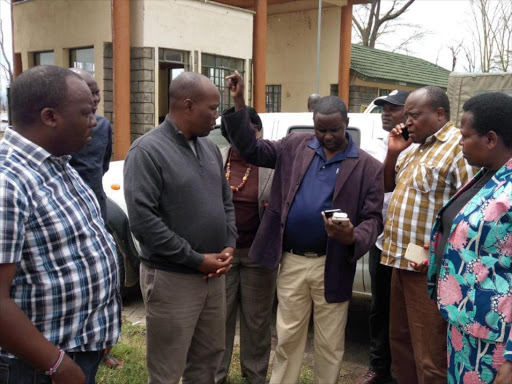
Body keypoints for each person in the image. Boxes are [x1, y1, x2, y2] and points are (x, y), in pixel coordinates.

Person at [223, 71, 384, 384]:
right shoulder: (296, 145)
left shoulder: (367, 166)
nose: (327, 136)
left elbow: (374, 219)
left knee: (329, 344)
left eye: (334, 129)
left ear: (346, 122)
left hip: (333, 264)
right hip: (293, 261)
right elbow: (251, 150)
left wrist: (353, 235)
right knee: (287, 338)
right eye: (320, 129)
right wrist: (241, 103)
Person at [0, 65, 121, 384]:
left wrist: (99, 331)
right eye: (85, 113)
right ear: (50, 117)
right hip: (37, 366)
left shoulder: (60, 164)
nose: (94, 122)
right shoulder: (7, 184)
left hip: (78, 350)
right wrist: (57, 365)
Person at [123, 71, 237, 384]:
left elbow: (225, 201)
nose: (216, 117)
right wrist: (195, 259)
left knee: (207, 361)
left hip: (213, 278)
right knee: (167, 369)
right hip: (172, 279)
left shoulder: (210, 148)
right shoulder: (147, 151)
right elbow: (144, 223)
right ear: (187, 106)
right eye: (212, 109)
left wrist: (229, 243)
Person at [381, 86, 476, 384]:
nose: (407, 122)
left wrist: (441, 251)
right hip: (399, 261)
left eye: (414, 115)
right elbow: (387, 185)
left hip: (427, 269)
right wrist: (393, 151)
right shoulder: (413, 149)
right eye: (405, 115)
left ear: (439, 114)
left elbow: (471, 209)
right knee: (400, 343)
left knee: (429, 354)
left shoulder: (457, 148)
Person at [425, 92, 512, 384]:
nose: (459, 143)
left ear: (490, 139)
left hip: (497, 341)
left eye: (464, 136)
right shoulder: (487, 174)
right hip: (465, 327)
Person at [215, 107, 276, 384]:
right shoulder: (216, 160)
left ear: (258, 131)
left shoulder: (271, 163)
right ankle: (217, 375)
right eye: (236, 132)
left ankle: (255, 376)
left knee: (257, 323)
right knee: (218, 321)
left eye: (250, 131)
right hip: (221, 256)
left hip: (257, 256)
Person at [356, 89, 410, 384]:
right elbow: (381, 183)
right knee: (380, 307)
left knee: (408, 311)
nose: (386, 113)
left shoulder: (424, 146)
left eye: (393, 108)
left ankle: (405, 371)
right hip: (382, 239)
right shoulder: (376, 143)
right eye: (383, 108)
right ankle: (378, 368)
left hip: (414, 245)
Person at [69, 68, 112, 223]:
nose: (95, 99)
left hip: (98, 207)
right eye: (90, 93)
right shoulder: (59, 131)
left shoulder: (103, 126)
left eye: (97, 93)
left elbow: (103, 165)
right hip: (71, 212)